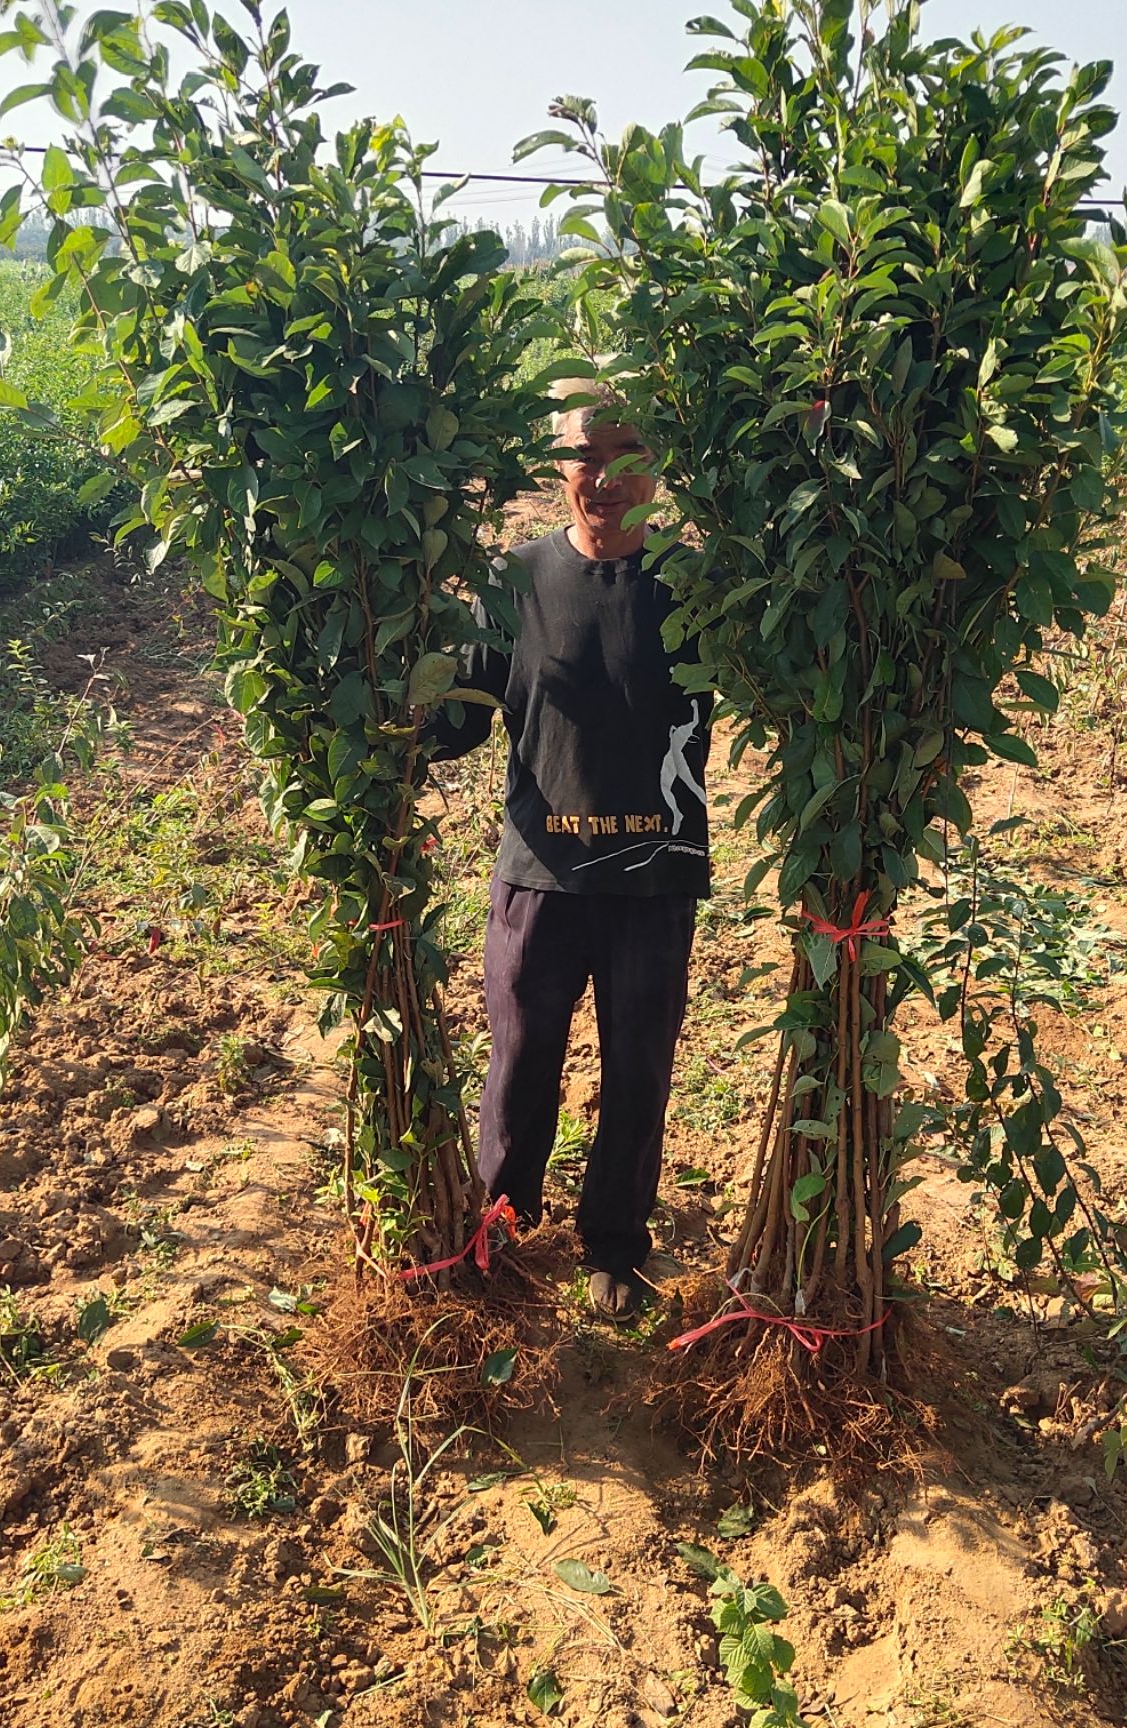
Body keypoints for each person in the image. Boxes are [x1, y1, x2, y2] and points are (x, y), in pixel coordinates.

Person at [425, 377, 710, 1320]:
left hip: (653, 882)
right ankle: (501, 1225)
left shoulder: (698, 591)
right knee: (520, 1061)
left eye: (627, 454)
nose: (606, 476)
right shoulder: (515, 584)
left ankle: (615, 1246)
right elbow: (459, 717)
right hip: (539, 878)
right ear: (557, 466)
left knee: (639, 1067)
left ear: (657, 471)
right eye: (585, 454)